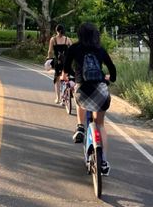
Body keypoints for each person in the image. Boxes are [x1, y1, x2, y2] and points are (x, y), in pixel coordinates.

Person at [62, 22, 116, 175]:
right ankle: (103, 161)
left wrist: (75, 77)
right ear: (96, 35)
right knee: (100, 125)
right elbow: (113, 71)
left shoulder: (74, 48)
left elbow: (66, 69)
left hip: (82, 90)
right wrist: (108, 77)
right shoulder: (100, 50)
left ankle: (80, 126)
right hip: (100, 90)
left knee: (78, 95)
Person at [47, 24, 72, 104]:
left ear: (56, 31)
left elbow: (50, 51)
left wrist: (48, 58)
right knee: (67, 77)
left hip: (58, 62)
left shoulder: (53, 39)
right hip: (67, 62)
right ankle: (66, 94)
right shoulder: (67, 39)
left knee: (57, 79)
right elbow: (72, 49)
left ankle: (58, 98)